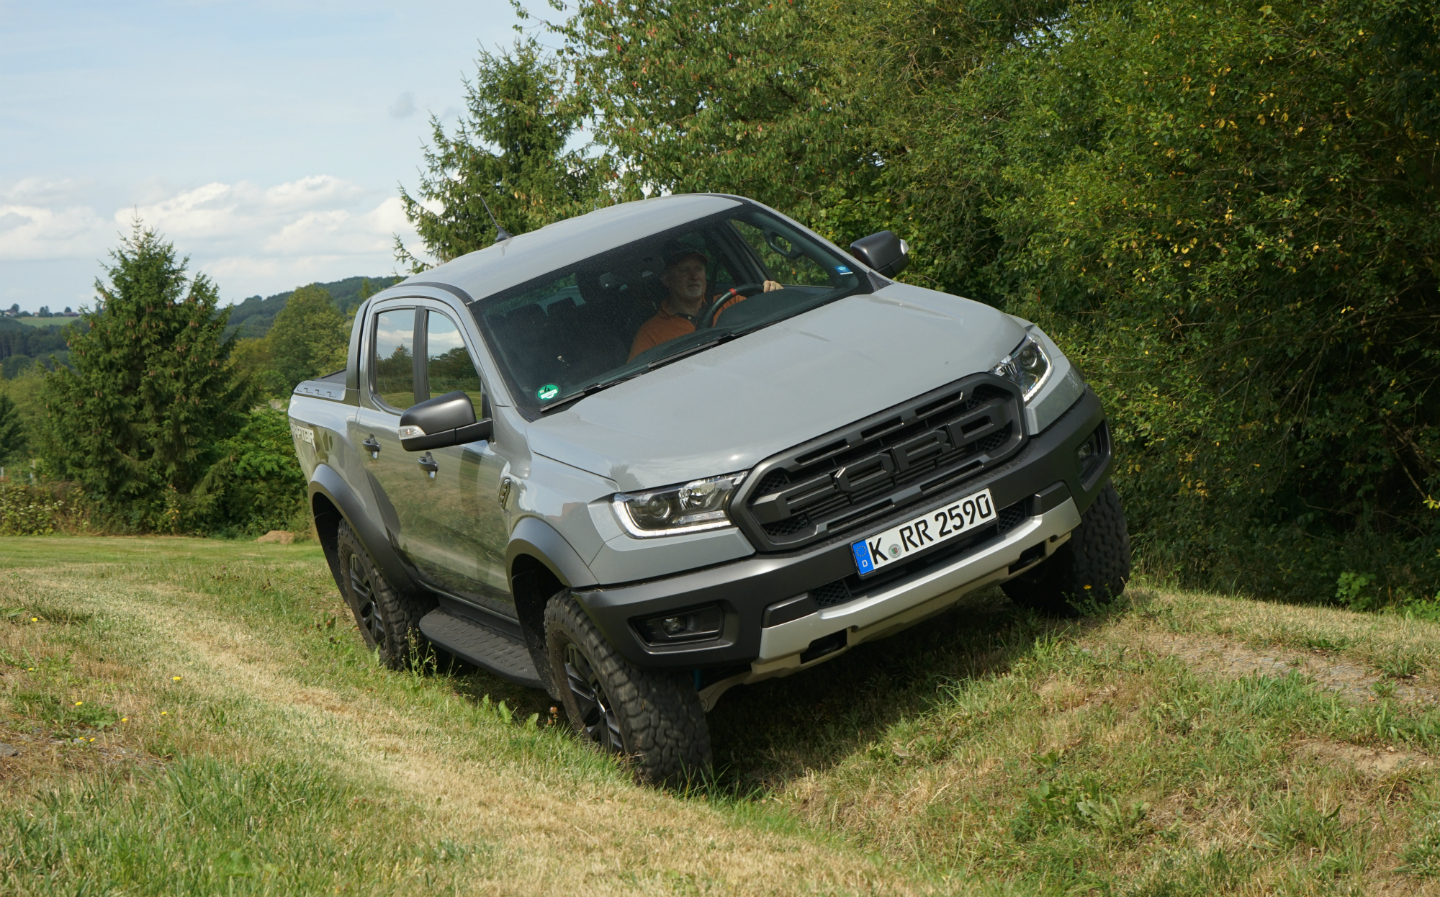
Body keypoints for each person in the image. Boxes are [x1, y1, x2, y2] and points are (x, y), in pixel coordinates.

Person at [628, 247, 781, 361]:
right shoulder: (650, 334)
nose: (694, 276)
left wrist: (776, 297)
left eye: (698, 269)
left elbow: (774, 327)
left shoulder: (731, 301)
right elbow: (635, 383)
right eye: (684, 270)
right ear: (667, 280)